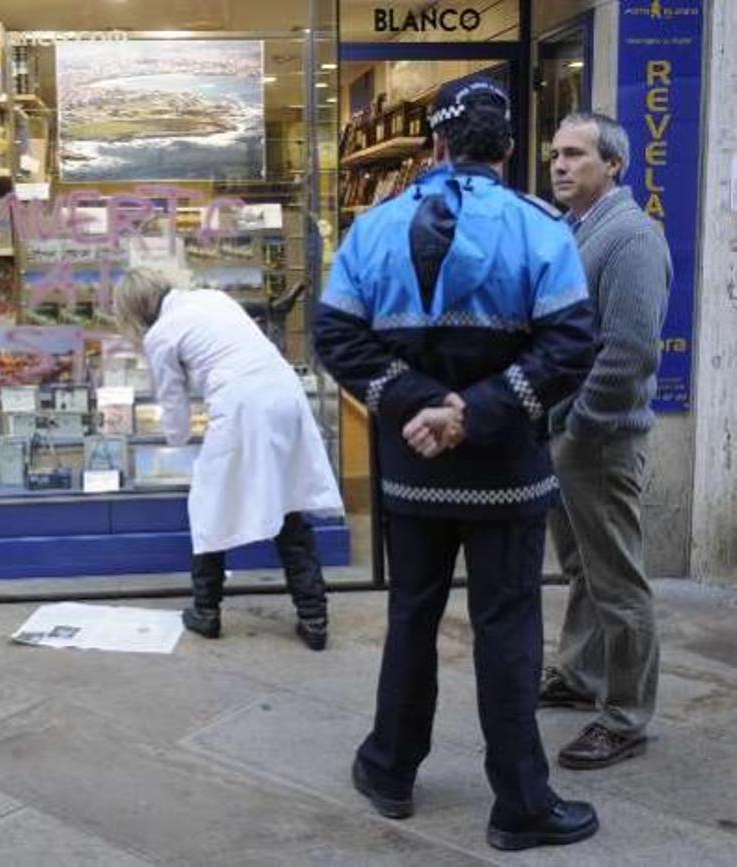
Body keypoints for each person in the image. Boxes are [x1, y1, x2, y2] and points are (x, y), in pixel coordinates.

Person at [313, 78, 599, 851]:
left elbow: (336, 338)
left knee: (411, 616)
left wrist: (416, 404)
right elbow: (571, 346)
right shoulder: (545, 229)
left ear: (434, 146)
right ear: (508, 148)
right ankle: (520, 806)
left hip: (411, 472)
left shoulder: (373, 230)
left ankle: (388, 769)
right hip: (507, 471)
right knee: (508, 633)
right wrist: (474, 412)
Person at [113, 268, 344, 651]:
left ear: (135, 311)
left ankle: (206, 610)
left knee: (209, 506)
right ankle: (314, 616)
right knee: (288, 505)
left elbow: (175, 416)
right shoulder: (212, 297)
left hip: (241, 405)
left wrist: (177, 437)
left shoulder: (161, 335)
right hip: (285, 395)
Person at [542, 112, 671, 769]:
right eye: (555, 154)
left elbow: (628, 355)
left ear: (614, 164)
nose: (560, 165)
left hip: (600, 440)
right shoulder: (577, 230)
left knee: (619, 582)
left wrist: (581, 425)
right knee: (584, 571)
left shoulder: (630, 239)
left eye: (575, 154)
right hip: (571, 433)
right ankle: (579, 674)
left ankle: (625, 716)